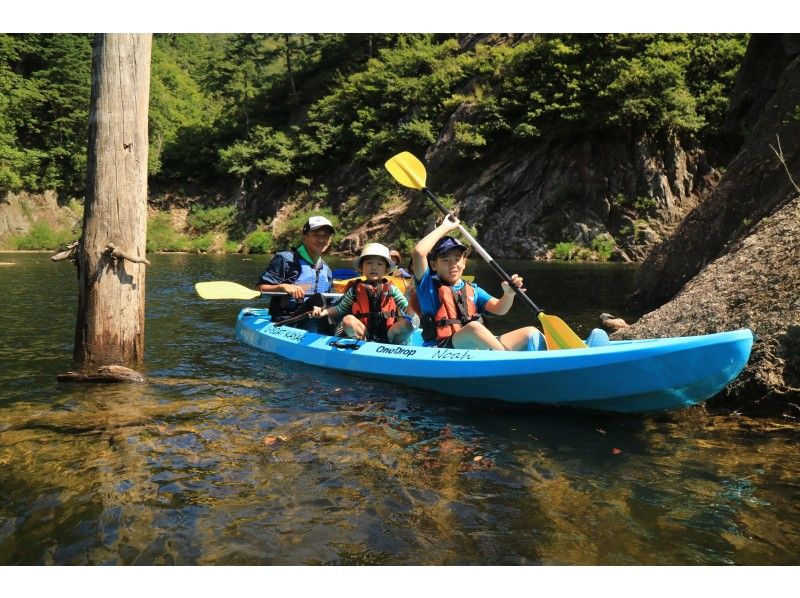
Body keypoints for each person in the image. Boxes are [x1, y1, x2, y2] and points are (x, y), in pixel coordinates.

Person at [411, 215, 545, 351]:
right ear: (434, 265)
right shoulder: (427, 285)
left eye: (457, 259)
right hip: (440, 349)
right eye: (445, 260)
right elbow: (419, 253)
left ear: (464, 263)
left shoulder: (473, 290)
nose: (453, 265)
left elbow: (500, 309)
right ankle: (506, 362)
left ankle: (545, 366)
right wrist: (445, 227)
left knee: (531, 333)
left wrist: (509, 295)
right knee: (473, 327)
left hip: (473, 348)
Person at [310, 243, 413, 344]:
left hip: (388, 335)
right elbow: (340, 309)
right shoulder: (354, 290)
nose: (374, 267)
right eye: (369, 263)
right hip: (364, 335)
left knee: (407, 324)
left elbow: (408, 311)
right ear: (361, 267)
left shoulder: (392, 290)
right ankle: (362, 346)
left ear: (386, 269)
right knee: (347, 320)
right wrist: (323, 312)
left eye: (379, 264)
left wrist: (415, 297)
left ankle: (395, 347)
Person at [257, 215, 336, 333]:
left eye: (325, 236)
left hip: (318, 317)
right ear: (305, 238)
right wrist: (283, 286)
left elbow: (329, 302)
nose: (321, 240)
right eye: (316, 235)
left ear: (329, 240)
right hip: (288, 320)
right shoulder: (285, 259)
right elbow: (261, 287)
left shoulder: (326, 269)